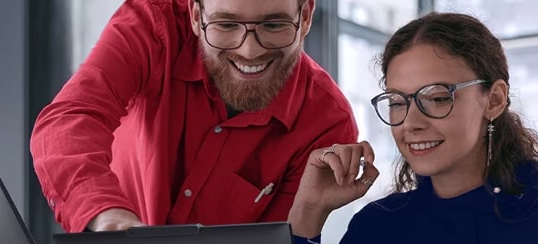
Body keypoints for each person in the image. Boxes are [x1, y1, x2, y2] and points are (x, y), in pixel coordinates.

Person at [285, 13, 538, 244]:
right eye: (397, 101)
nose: (411, 122)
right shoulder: (377, 228)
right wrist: (309, 212)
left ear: (494, 100)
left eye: (436, 98)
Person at [32, 0, 359, 232]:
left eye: (273, 24)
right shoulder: (152, 25)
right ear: (194, 14)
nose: (249, 50)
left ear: (305, 17)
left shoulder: (327, 123)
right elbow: (71, 120)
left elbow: (279, 242)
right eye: (226, 24)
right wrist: (108, 216)